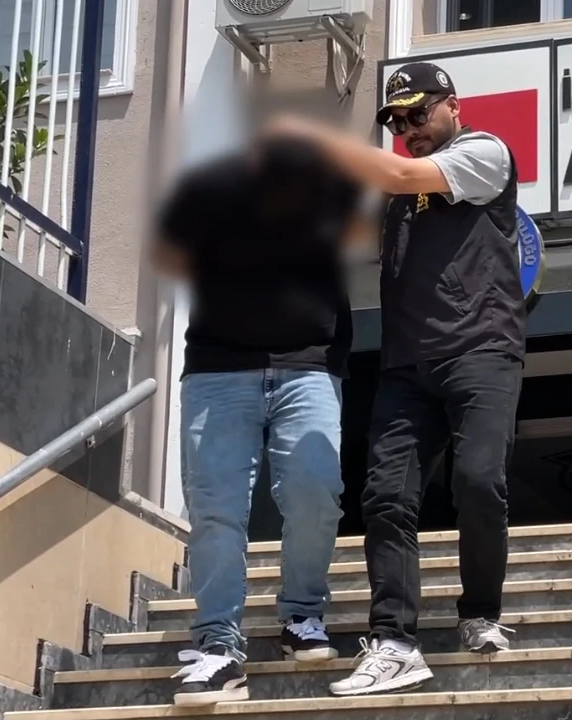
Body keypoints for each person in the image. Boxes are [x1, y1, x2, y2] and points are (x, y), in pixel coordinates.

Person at [268, 61, 525, 697]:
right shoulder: (393, 196)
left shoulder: (484, 152)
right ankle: (394, 641)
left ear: (453, 105)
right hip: (406, 365)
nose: (409, 128)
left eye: (419, 113)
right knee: (385, 498)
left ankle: (480, 613)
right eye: (397, 120)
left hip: (481, 351)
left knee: (479, 482)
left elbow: (403, 174)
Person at [152, 136, 364, 706]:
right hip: (218, 369)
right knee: (216, 509)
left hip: (309, 366)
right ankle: (219, 646)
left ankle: (302, 613)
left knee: (316, 491)